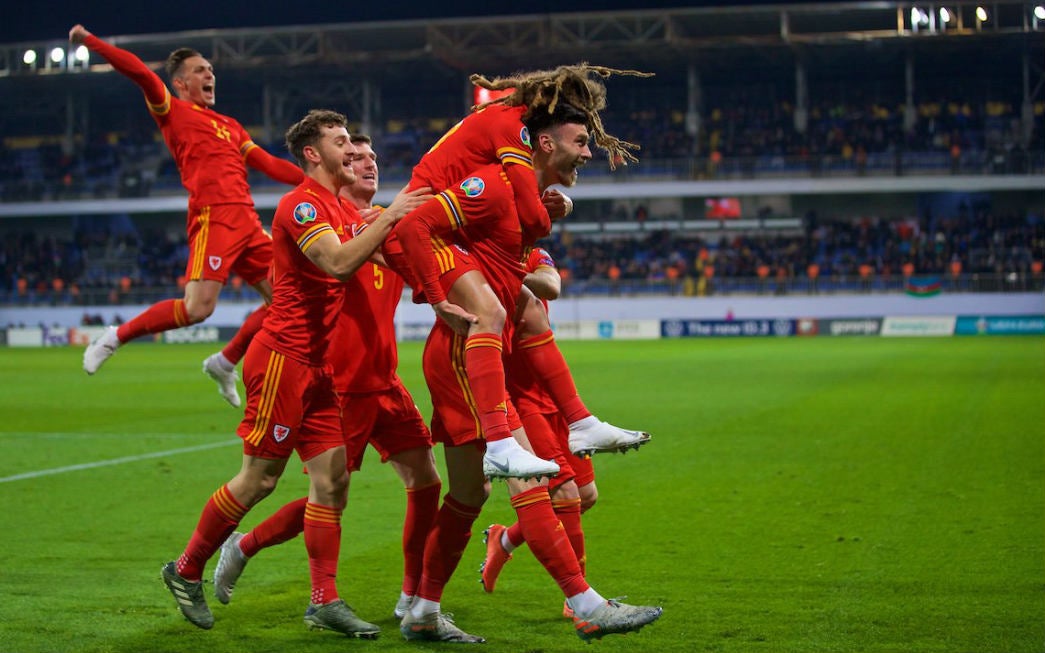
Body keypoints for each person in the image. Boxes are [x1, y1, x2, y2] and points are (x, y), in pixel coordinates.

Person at [389, 65, 662, 643]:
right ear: (543, 139)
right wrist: (436, 296)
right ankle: (584, 602)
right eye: (581, 139)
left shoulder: (515, 192)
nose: (588, 151)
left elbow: (535, 261)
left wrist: (541, 215)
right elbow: (417, 225)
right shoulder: (492, 178)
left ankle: (421, 611)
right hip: (467, 355)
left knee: (466, 497)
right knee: (532, 485)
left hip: (464, 353)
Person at [158, 109, 430, 636]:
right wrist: (393, 215)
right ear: (313, 153)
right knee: (258, 479)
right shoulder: (302, 205)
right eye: (342, 141)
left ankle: (323, 601)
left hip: (320, 367)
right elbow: (336, 263)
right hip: (283, 359)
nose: (352, 149)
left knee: (332, 484)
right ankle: (186, 568)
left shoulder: (338, 206)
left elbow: (396, 247)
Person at [71, 24, 303, 409]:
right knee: (198, 309)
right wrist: (91, 42)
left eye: (210, 69)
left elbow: (267, 163)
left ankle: (225, 361)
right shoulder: (172, 111)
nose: (209, 74)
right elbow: (141, 73)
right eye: (199, 70)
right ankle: (115, 337)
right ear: (179, 83)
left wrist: (322, 183)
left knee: (288, 300)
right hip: (214, 218)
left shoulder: (230, 126)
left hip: (247, 220)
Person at [481, 246, 599, 617]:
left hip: (554, 394)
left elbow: (551, 286)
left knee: (586, 495)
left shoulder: (531, 253)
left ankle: (505, 538)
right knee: (564, 491)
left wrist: (512, 271)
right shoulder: (479, 254)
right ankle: (577, 599)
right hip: (522, 400)